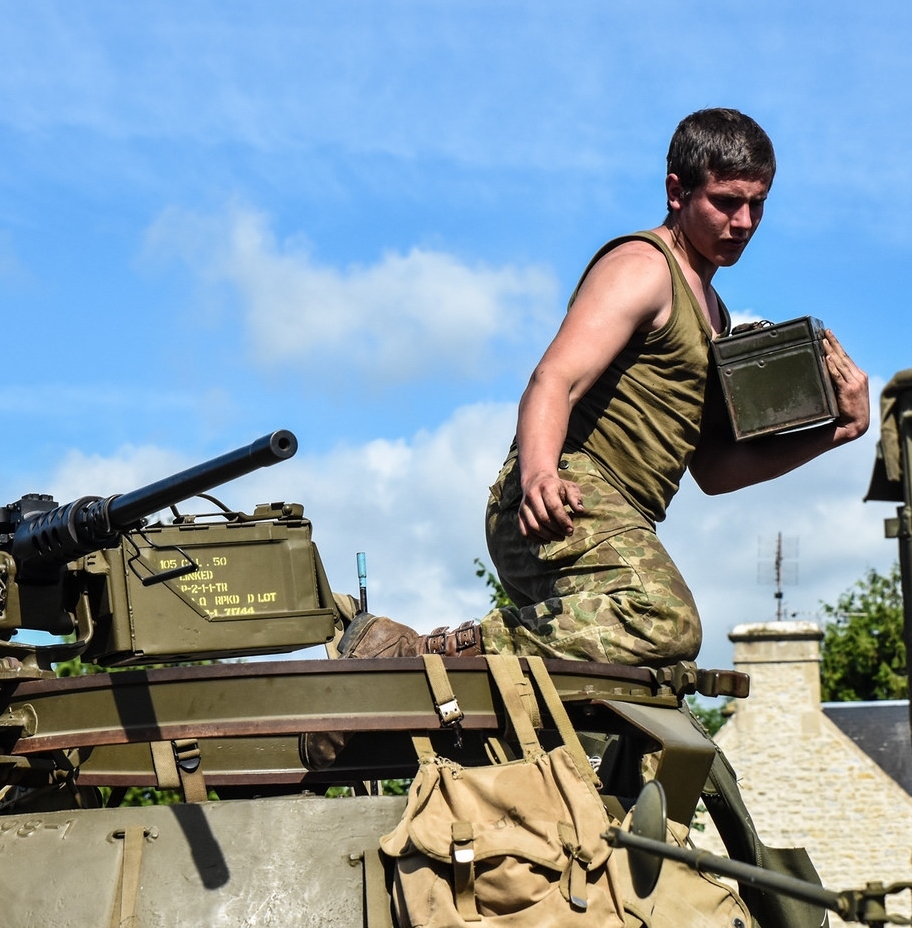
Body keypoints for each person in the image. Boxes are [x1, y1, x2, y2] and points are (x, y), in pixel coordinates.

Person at [340, 108, 870, 667]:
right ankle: (416, 654)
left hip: (614, 519)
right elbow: (554, 378)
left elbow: (712, 469)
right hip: (565, 493)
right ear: (676, 191)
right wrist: (539, 473)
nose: (742, 221)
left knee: (650, 678)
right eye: (725, 201)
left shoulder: (715, 315)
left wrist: (837, 430)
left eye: (756, 204)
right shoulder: (644, 268)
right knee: (663, 619)